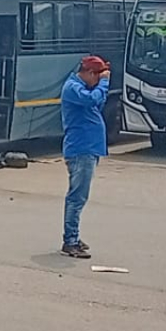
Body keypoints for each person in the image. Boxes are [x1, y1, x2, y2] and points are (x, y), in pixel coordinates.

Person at [60, 56, 110, 258]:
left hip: (89, 148)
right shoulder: (72, 88)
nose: (100, 81)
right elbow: (92, 100)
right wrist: (104, 83)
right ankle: (70, 240)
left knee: (80, 195)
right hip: (81, 149)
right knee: (77, 196)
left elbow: (97, 103)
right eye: (98, 76)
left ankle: (73, 237)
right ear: (89, 73)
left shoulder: (85, 88)